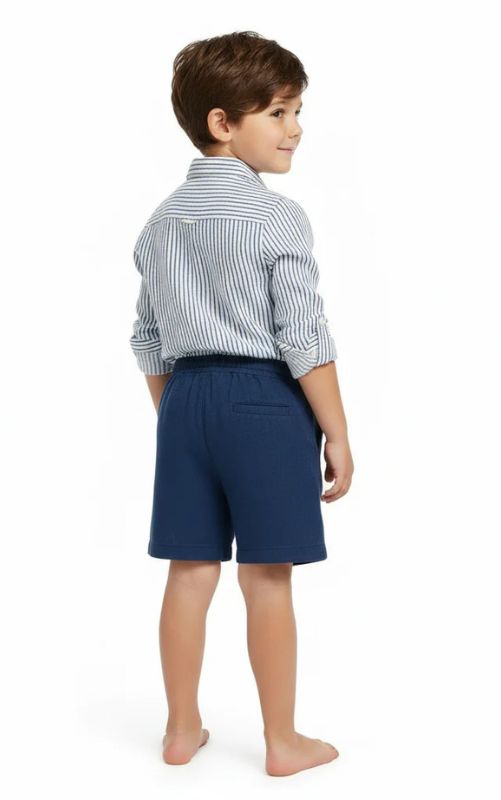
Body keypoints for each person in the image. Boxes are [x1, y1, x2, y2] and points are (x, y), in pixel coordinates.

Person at [129, 30, 354, 777]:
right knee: (267, 575)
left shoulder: (160, 222)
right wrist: (336, 431)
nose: (296, 129)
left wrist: (177, 416)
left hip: (184, 400)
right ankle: (281, 741)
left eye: (297, 111)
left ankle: (179, 729)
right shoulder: (274, 217)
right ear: (222, 123)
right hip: (263, 401)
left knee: (189, 570)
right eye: (279, 112)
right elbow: (303, 336)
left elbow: (148, 337)